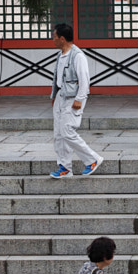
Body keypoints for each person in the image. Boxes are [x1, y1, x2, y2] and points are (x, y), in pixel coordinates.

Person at [50, 23, 103, 178]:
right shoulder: (60, 55)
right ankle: (64, 167)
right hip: (61, 96)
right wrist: (54, 95)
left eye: (54, 37)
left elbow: (85, 80)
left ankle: (92, 159)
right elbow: (57, 78)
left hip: (73, 97)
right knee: (59, 133)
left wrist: (80, 98)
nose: (53, 40)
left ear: (62, 38)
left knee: (67, 131)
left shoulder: (78, 56)